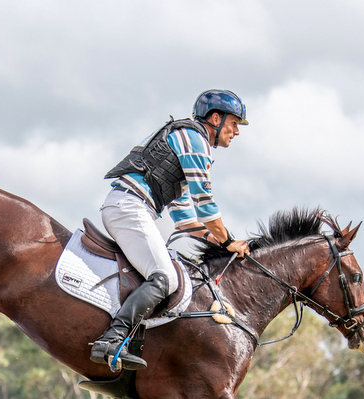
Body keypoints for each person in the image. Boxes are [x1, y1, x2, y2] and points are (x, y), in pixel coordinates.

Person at [90, 89, 252, 371]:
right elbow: (206, 206)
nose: (236, 132)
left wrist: (214, 239)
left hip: (129, 207)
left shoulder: (187, 141)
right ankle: (113, 339)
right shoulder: (195, 140)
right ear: (216, 118)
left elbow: (185, 219)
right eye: (234, 123)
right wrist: (228, 242)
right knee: (165, 277)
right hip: (130, 207)